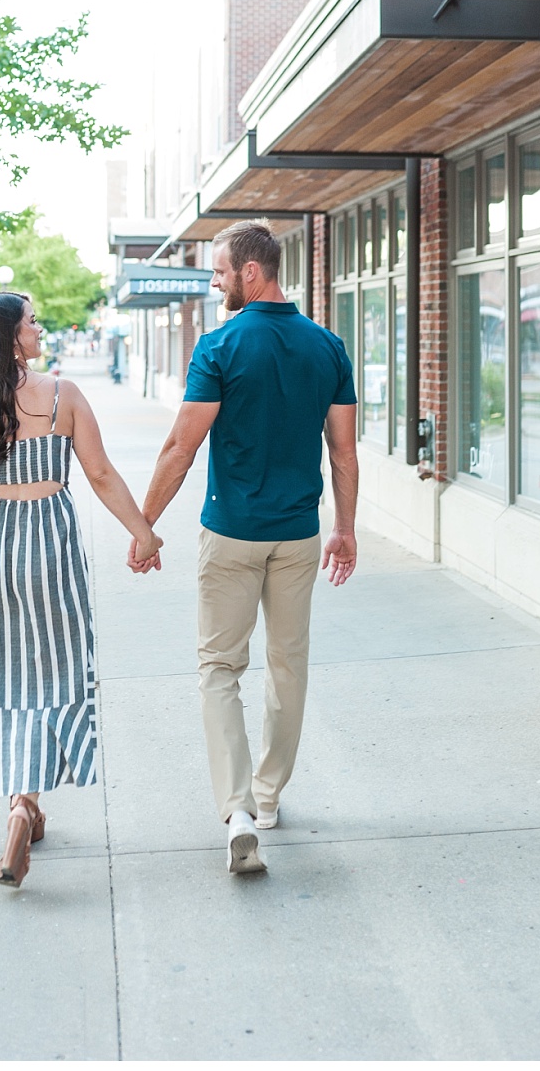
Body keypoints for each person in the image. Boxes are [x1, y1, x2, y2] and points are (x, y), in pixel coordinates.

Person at [128, 219, 358, 875]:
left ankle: (237, 809)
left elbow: (181, 445)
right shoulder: (328, 347)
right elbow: (343, 451)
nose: (216, 282)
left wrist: (145, 526)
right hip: (298, 535)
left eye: (221, 271)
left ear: (250, 272)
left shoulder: (220, 346)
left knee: (218, 670)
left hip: (231, 535)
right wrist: (344, 525)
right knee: (289, 666)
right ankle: (269, 795)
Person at [0, 292, 162, 888]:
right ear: (12, 338)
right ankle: (26, 803)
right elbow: (100, 474)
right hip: (49, 548)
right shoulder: (63, 396)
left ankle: (19, 802)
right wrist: (144, 534)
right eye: (31, 322)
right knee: (53, 671)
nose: (39, 329)